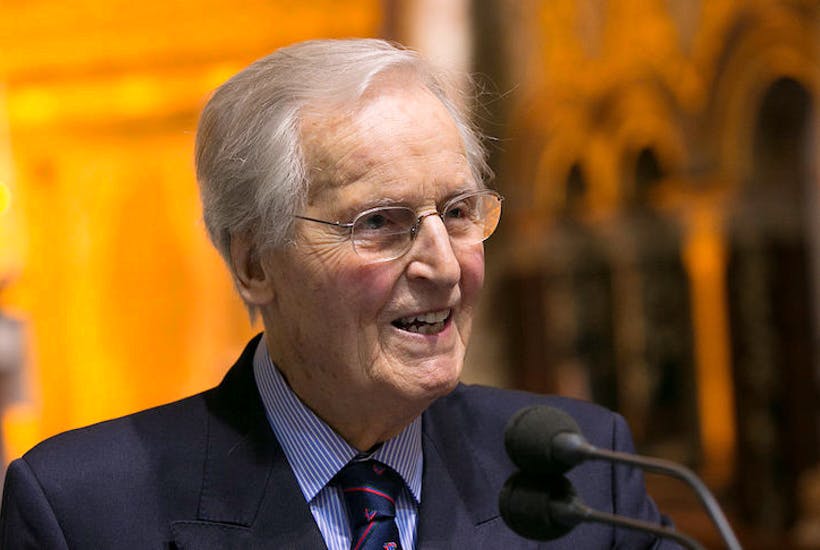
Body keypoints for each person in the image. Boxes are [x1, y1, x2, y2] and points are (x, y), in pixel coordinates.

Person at [0, 38, 675, 548]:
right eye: (379, 223)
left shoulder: (580, 474)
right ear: (255, 264)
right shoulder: (82, 511)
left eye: (458, 212)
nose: (445, 267)